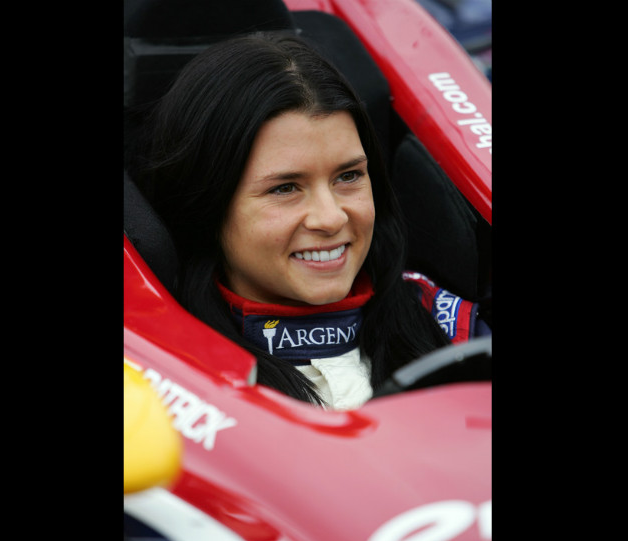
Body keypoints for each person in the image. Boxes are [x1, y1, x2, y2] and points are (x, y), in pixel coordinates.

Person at [125, 32, 489, 410]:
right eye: (285, 188)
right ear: (208, 204)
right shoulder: (163, 379)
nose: (330, 217)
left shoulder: (452, 323)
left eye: (348, 177)